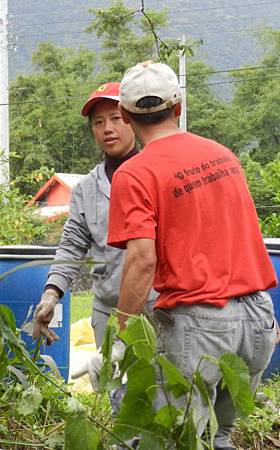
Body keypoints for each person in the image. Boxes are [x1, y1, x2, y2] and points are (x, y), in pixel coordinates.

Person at [106, 60, 279, 450]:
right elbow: (248, 235)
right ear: (178, 107)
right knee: (218, 437)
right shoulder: (223, 156)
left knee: (173, 441)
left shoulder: (135, 174)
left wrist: (121, 334)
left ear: (128, 117)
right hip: (258, 320)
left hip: (201, 325)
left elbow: (142, 260)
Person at [31, 82, 156, 375]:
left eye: (115, 118)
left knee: (157, 395)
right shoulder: (87, 188)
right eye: (98, 122)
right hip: (108, 312)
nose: (107, 128)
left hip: (155, 310)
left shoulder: (155, 173)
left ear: (131, 119)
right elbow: (72, 244)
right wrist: (51, 293)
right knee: (116, 398)